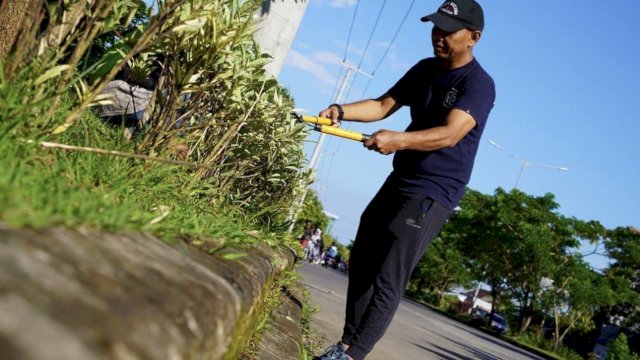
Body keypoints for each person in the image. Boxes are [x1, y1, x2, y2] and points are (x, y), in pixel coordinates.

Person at [315, 1, 495, 359]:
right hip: (402, 177)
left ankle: (352, 355)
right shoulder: (426, 69)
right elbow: (382, 106)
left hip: (434, 190)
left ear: (473, 37)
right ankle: (346, 344)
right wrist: (341, 111)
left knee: (389, 273)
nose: (438, 35)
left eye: (448, 30)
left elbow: (450, 134)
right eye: (435, 27)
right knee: (363, 255)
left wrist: (398, 139)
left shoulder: (478, 84)